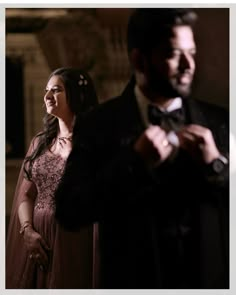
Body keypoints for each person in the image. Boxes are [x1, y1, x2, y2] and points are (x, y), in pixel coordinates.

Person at [55, 9, 229, 289]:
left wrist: (217, 166)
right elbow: (69, 211)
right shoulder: (98, 125)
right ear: (139, 60)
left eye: (192, 52)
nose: (189, 64)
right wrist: (133, 163)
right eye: (174, 54)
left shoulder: (221, 122)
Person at [6, 67, 98, 288]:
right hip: (37, 240)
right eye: (47, 90)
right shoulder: (40, 143)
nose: (47, 97)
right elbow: (26, 195)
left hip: (74, 242)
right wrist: (27, 231)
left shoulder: (95, 144)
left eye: (56, 90)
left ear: (75, 96)